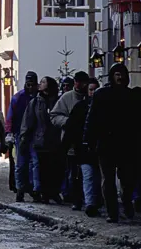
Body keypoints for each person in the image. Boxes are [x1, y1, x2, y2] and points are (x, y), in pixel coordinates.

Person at [84, 63, 141, 223]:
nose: (120, 77)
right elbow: (92, 119)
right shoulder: (101, 95)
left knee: (127, 179)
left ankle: (126, 204)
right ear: (112, 76)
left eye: (122, 74)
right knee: (108, 180)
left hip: (127, 144)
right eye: (117, 74)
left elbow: (139, 122)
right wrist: (89, 140)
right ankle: (113, 211)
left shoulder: (131, 96)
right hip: (106, 143)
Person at [50, 70, 89, 208]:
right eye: (78, 82)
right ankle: (76, 199)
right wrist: (67, 122)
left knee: (88, 172)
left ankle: (90, 199)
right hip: (71, 140)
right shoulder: (67, 98)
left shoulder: (91, 96)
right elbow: (54, 116)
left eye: (83, 82)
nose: (80, 85)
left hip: (88, 140)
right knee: (74, 172)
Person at [20, 76, 62, 204]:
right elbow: (28, 121)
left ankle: (54, 192)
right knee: (42, 167)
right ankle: (44, 193)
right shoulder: (36, 102)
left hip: (55, 139)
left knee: (55, 167)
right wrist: (24, 137)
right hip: (40, 139)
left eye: (43, 82)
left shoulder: (58, 100)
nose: (40, 84)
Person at [65, 77, 102, 217]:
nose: (93, 92)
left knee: (98, 177)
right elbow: (71, 127)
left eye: (95, 89)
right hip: (83, 148)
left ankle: (96, 201)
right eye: (91, 90)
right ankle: (90, 203)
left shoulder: (104, 107)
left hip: (100, 148)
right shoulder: (81, 107)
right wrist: (70, 144)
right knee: (87, 175)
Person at [6, 71, 39, 202]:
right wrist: (9, 133)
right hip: (20, 134)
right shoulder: (18, 97)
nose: (30, 85)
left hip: (35, 134)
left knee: (34, 163)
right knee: (21, 163)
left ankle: (34, 188)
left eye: (32, 83)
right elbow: (10, 116)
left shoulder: (38, 97)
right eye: (28, 82)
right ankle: (20, 189)